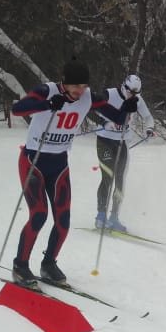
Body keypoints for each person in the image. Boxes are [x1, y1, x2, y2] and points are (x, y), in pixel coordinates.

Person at [9, 60, 136, 288]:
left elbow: (116, 118)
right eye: (75, 86)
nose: (80, 91)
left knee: (63, 220)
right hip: (33, 161)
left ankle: (48, 264)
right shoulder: (46, 91)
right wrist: (48, 104)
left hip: (59, 164)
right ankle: (20, 265)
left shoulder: (87, 97)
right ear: (64, 82)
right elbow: (18, 109)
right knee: (38, 215)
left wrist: (127, 109)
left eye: (84, 86)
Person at [94, 74, 155, 232]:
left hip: (122, 143)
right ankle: (101, 216)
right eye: (131, 92)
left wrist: (149, 128)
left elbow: (148, 117)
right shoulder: (109, 94)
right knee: (108, 176)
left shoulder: (137, 100)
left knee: (120, 180)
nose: (133, 96)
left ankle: (114, 217)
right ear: (124, 87)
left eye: (136, 93)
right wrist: (104, 122)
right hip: (105, 141)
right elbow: (91, 110)